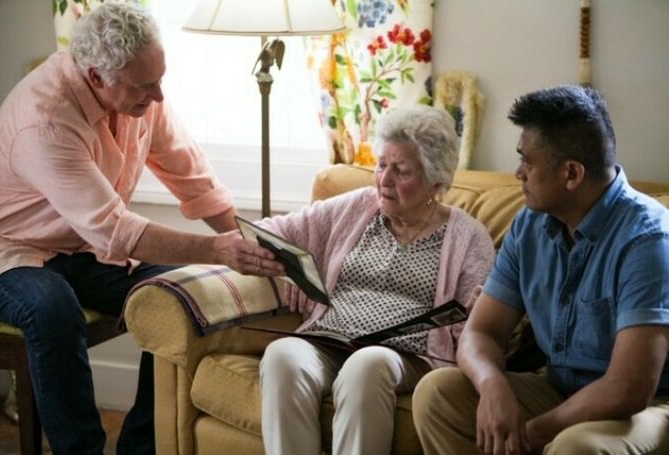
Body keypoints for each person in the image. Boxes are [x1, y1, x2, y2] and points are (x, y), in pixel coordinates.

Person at [0, 4, 283, 454]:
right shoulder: (44, 120)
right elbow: (116, 230)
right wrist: (219, 250)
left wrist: (250, 241)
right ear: (95, 76)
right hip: (10, 252)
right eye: (146, 86)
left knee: (177, 292)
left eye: (160, 80)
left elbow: (193, 177)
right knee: (54, 309)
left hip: (83, 248)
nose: (159, 97)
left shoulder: (140, 98)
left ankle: (141, 448)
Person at [412, 85, 669, 454]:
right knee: (438, 393)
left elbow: (629, 388)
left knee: (575, 446)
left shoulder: (648, 241)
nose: (518, 173)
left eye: (527, 162)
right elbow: (480, 332)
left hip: (648, 406)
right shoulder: (529, 225)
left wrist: (534, 431)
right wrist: (492, 387)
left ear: (571, 174)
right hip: (558, 388)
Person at [257, 105, 496, 455]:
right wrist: (292, 276)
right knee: (282, 356)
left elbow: (478, 328)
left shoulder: (468, 238)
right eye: (382, 165)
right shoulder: (356, 207)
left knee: (366, 365)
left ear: (435, 181)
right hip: (330, 340)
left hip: (405, 355)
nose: (384, 180)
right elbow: (270, 232)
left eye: (401, 171)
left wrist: (476, 313)